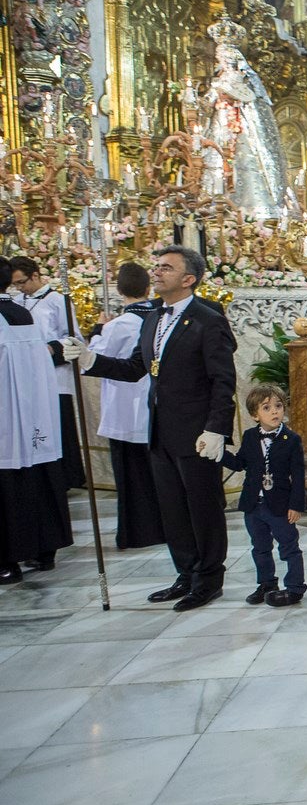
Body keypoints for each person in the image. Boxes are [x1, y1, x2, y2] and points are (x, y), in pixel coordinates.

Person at [64, 245, 237, 612]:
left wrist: (216, 429)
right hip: (158, 429)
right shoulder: (154, 318)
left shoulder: (207, 320)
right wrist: (89, 358)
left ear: (188, 279)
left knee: (202, 508)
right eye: (155, 266)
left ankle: (208, 579)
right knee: (172, 508)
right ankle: (186, 573)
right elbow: (135, 368)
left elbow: (223, 380)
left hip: (197, 433)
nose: (156, 273)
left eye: (166, 268)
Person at [0, 257, 73, 584]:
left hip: (5, 416)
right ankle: (43, 550)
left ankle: (7, 559)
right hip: (31, 412)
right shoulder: (20, 312)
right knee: (33, 473)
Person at [87, 262, 165, 551]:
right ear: (148, 289)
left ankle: (136, 533)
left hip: (123, 407)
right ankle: (162, 528)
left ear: (120, 291)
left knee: (130, 478)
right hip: (153, 406)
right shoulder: (159, 318)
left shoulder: (118, 325)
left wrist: (98, 329)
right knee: (155, 474)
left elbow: (93, 359)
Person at [220, 384, 306, 607]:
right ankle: (267, 584)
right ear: (254, 415)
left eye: (278, 406)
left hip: (279, 504)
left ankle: (295, 588)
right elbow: (240, 464)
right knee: (260, 547)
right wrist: (218, 453)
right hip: (254, 505)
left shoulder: (292, 439)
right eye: (266, 408)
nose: (275, 412)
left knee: (289, 547)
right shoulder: (249, 437)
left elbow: (298, 476)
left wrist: (296, 506)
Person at [10, 255, 85, 492]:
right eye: (16, 284)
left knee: (58, 424)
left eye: (22, 282)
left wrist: (52, 347)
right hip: (26, 375)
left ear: (35, 275)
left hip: (54, 375)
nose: (20, 288)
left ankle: (65, 476)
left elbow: (74, 336)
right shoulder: (17, 301)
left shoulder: (57, 301)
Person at [201, 13, 287, 218]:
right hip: (220, 125)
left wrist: (230, 93)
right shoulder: (218, 81)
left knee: (247, 162)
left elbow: (252, 102)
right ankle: (215, 204)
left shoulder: (243, 80)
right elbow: (206, 105)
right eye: (218, 57)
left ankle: (253, 208)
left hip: (241, 129)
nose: (219, 61)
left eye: (222, 57)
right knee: (217, 159)